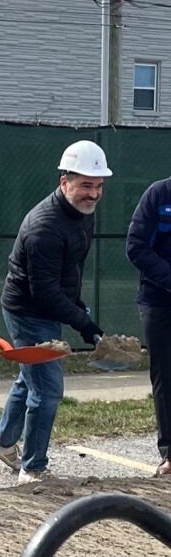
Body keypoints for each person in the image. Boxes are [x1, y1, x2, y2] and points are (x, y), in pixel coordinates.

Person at [0, 140, 111, 484]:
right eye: (85, 185)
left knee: (29, 379)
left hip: (47, 304)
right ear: (65, 183)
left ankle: (2, 443)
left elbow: (70, 268)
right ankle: (32, 469)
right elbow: (44, 293)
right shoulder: (45, 226)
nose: (93, 194)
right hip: (28, 310)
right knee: (47, 390)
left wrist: (76, 305)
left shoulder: (81, 214)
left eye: (99, 186)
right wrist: (85, 324)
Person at [126, 177, 171, 476]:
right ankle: (170, 454)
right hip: (159, 301)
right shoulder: (159, 194)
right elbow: (136, 247)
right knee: (166, 374)